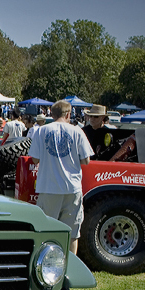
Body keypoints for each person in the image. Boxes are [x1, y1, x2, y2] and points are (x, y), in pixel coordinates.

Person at [27, 100, 93, 255]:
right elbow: (86, 160)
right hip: (72, 188)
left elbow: (34, 159)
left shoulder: (42, 131)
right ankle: (69, 265)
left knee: (46, 231)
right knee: (72, 233)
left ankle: (45, 264)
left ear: (51, 114)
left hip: (49, 187)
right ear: (68, 114)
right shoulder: (77, 131)